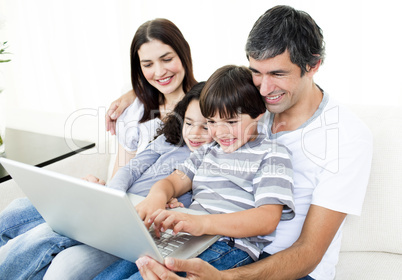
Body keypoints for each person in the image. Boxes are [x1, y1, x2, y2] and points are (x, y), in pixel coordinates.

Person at [133, 5, 373, 280]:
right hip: (209, 240)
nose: (264, 87)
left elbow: (308, 252)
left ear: (313, 65)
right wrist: (137, 93)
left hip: (283, 269)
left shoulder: (348, 136)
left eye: (278, 74)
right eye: (257, 72)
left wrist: (226, 278)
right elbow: (200, 94)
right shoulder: (245, 107)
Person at [0, 17, 196, 249]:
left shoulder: (206, 108)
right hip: (114, 202)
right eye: (148, 64)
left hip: (145, 211)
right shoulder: (134, 107)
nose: (160, 71)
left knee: (40, 238)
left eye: (167, 59)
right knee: (13, 213)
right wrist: (100, 190)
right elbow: (123, 169)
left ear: (183, 53)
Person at [93, 64, 295, 280]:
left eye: (231, 122)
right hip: (186, 238)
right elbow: (171, 182)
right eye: (212, 122)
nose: (220, 132)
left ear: (258, 113)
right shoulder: (209, 150)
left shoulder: (272, 154)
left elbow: (266, 219)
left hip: (229, 245)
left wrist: (201, 223)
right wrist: (156, 198)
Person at [0, 82, 213, 280]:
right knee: (21, 216)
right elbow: (130, 169)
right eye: (189, 122)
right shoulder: (168, 141)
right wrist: (111, 194)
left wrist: (171, 205)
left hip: (139, 223)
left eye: (205, 127)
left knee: (49, 240)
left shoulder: (212, 161)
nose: (194, 133)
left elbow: (192, 202)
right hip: (114, 202)